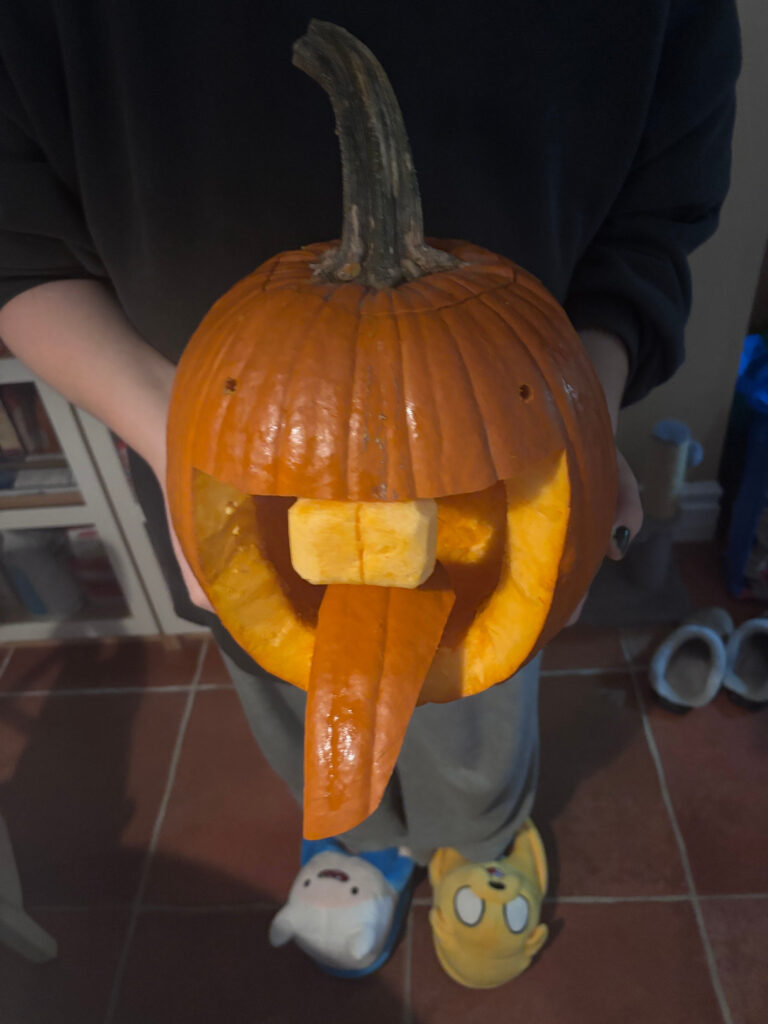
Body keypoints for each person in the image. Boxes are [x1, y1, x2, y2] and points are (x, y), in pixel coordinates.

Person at [0, 0, 740, 988]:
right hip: (212, 462)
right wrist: (181, 443)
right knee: (289, 685)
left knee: (478, 701)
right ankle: (355, 828)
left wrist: (580, 411)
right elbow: (17, 243)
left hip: (507, 457)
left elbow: (656, 213)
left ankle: (477, 830)